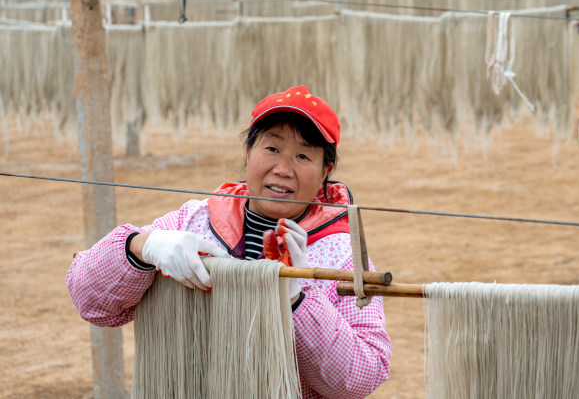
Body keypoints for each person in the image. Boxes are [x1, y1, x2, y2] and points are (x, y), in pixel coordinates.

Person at [66, 85, 391, 399]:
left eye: (303, 156)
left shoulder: (341, 257)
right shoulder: (192, 223)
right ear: (249, 152)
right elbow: (91, 302)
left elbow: (359, 378)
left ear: (325, 171)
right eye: (272, 148)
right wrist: (140, 247)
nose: (283, 169)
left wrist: (297, 299)